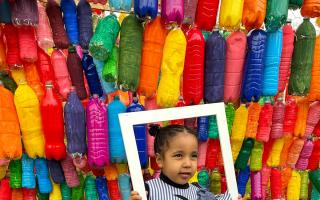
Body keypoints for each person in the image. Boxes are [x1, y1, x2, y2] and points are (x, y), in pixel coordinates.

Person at [130, 124, 241, 200]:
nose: (188, 164)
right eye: (179, 155)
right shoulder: (147, 191)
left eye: (193, 156)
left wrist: (234, 196)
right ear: (160, 160)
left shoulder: (199, 193)